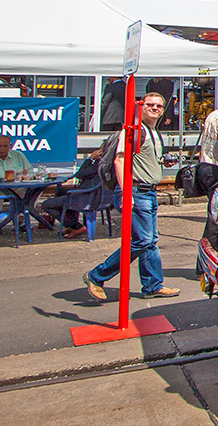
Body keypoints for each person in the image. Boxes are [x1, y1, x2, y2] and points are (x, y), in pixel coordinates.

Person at [83, 93, 180, 300]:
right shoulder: (133, 131)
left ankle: (153, 285)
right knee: (142, 240)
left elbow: (145, 160)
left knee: (150, 241)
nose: (155, 109)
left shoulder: (153, 132)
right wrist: (126, 192)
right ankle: (97, 275)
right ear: (140, 107)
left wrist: (164, 162)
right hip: (136, 191)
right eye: (150, 105)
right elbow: (120, 161)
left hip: (149, 192)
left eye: (159, 106)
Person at [38, 149, 102, 238]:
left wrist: (90, 158)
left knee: (46, 205)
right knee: (62, 192)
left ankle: (77, 227)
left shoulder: (99, 164)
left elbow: (80, 174)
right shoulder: (108, 163)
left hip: (87, 197)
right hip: (95, 196)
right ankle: (71, 225)